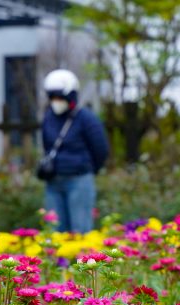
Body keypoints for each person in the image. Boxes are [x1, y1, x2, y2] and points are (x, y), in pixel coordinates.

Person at [39, 69, 110, 234]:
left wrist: (88, 169)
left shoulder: (86, 118)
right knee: (55, 232)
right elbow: (46, 146)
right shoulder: (49, 117)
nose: (56, 101)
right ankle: (59, 261)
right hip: (54, 181)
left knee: (80, 231)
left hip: (79, 180)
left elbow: (101, 149)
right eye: (53, 97)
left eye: (59, 97)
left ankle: (80, 260)